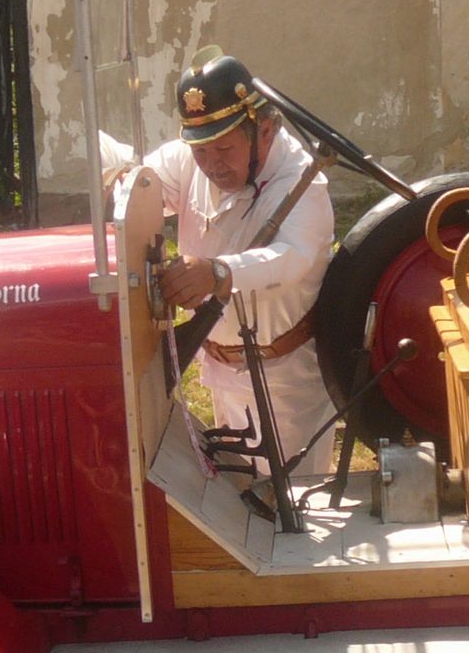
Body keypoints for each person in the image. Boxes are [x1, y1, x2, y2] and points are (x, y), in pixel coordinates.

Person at [137, 52, 336, 476]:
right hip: (218, 365)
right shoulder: (192, 159)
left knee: (293, 504)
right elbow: (142, 186)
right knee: (234, 495)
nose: (212, 165)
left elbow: (292, 259)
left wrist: (218, 273)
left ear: (265, 130)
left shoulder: (302, 181)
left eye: (225, 149)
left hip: (285, 382)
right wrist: (126, 191)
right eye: (200, 151)